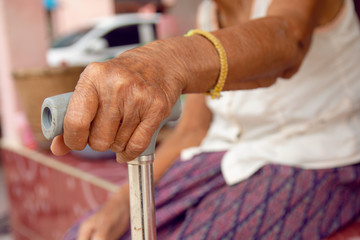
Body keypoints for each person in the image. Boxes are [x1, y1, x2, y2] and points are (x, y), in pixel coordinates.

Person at [52, 0, 360, 239]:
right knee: (86, 234)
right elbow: (191, 131)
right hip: (220, 158)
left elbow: (286, 39)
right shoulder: (208, 16)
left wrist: (169, 60)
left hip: (314, 159)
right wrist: (120, 206)